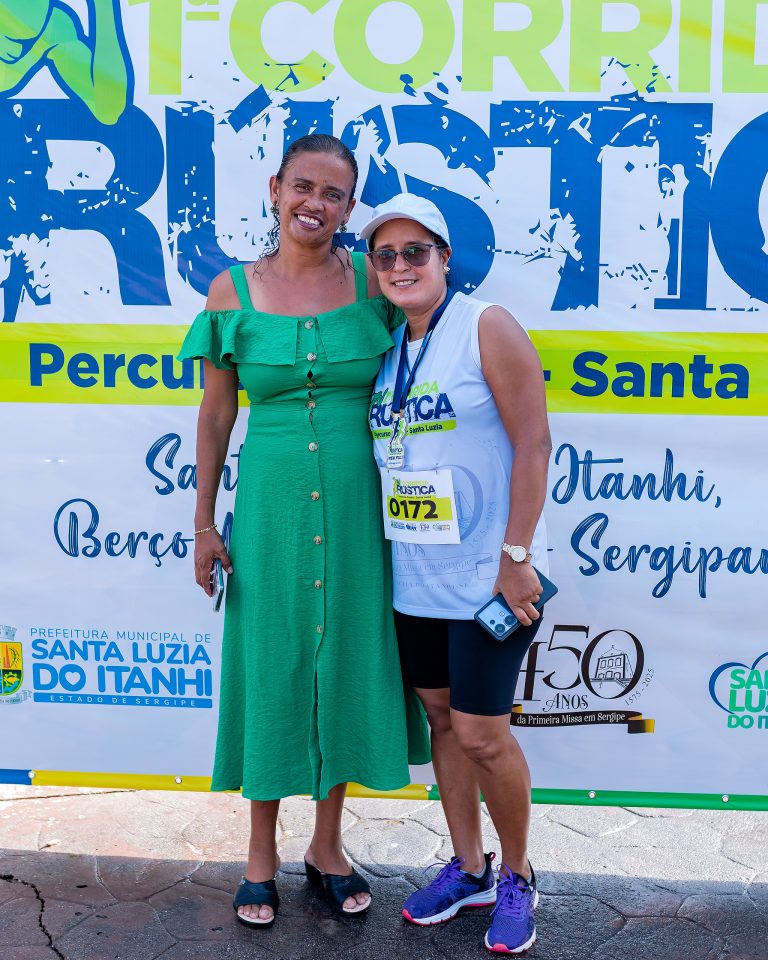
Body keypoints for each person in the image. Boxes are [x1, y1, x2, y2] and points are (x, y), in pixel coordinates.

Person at [178, 137, 429, 929]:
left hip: (361, 506)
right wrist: (203, 522)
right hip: (272, 506)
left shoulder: (372, 280)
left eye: (333, 194)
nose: (314, 203)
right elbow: (217, 411)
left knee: (345, 659)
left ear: (350, 208)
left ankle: (327, 845)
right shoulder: (231, 291)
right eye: (303, 187)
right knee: (273, 663)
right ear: (275, 188)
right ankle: (260, 853)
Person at [363, 194, 551, 955]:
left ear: (445, 257)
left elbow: (534, 443)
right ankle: (469, 867)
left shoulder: (486, 325)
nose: (401, 266)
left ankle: (518, 876)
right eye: (385, 255)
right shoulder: (386, 346)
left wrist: (517, 557)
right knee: (443, 720)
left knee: (482, 733)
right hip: (416, 578)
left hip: (490, 579)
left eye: (416, 252)